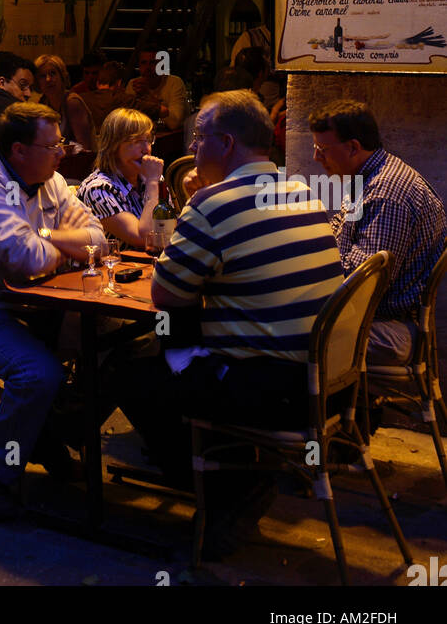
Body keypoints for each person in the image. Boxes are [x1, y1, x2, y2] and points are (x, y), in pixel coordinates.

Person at [115, 90, 343, 556]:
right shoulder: (300, 190)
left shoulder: (215, 205)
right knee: (176, 349)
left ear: (224, 142)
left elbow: (165, 294)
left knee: (131, 373)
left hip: (271, 392)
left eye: (199, 139)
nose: (193, 149)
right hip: (323, 381)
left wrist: (199, 210)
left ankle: (228, 494)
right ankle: (234, 474)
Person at [0, 101, 106, 519]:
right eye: (54, 146)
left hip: (34, 306)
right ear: (18, 151)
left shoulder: (50, 180)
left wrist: (46, 233)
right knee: (38, 373)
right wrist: (61, 246)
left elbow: (97, 240)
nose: (63, 152)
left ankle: (47, 429)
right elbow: (27, 259)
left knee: (116, 342)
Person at [308, 100, 447, 366]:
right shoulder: (368, 176)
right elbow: (338, 232)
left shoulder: (386, 195)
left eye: (322, 149)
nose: (316, 157)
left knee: (291, 335)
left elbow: (363, 287)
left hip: (390, 327)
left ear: (352, 147)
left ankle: (326, 406)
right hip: (376, 317)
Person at [77, 108, 164, 248]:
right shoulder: (98, 189)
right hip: (113, 267)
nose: (146, 149)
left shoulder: (148, 177)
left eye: (148, 140)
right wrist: (153, 183)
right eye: (136, 141)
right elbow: (145, 240)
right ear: (113, 146)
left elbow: (172, 229)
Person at [35, 53, 95, 149]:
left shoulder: (72, 103)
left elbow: (86, 148)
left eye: (53, 73)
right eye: (42, 76)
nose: (48, 79)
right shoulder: (43, 103)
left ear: (62, 76)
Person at [124, 47, 188, 131]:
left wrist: (147, 95)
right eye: (143, 63)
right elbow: (127, 122)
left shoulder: (174, 83)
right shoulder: (133, 84)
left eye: (153, 63)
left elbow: (174, 123)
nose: (148, 68)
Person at [79, 59, 127, 131]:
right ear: (119, 83)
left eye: (94, 73)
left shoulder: (79, 99)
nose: (90, 77)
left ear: (97, 82)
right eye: (86, 73)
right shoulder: (125, 100)